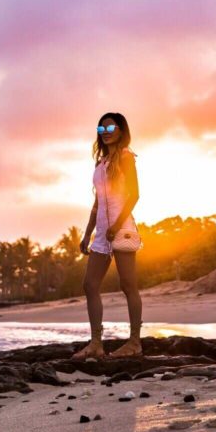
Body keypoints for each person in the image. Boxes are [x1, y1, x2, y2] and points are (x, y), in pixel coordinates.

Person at [70, 112, 143, 360]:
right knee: (90, 285)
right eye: (101, 129)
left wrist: (117, 225)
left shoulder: (126, 158)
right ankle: (96, 344)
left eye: (110, 127)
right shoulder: (100, 164)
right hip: (102, 233)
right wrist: (87, 234)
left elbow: (134, 195)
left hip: (121, 229)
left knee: (128, 285)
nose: (106, 132)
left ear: (122, 129)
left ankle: (134, 343)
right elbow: (97, 202)